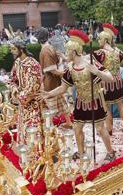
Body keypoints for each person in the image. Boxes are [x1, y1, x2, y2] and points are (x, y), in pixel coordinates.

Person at [42, 29, 116, 162]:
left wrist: (98, 72)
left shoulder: (90, 63)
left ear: (74, 52)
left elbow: (110, 78)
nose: (65, 54)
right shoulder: (70, 68)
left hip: (95, 101)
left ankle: (110, 152)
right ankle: (82, 153)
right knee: (77, 127)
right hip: (81, 103)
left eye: (67, 51)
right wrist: (49, 94)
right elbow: (63, 88)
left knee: (100, 128)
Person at [94, 24, 123, 135]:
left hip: (107, 83)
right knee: (120, 105)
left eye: (99, 38)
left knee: (107, 108)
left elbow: (90, 62)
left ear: (105, 40)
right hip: (118, 81)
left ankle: (109, 130)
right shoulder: (117, 51)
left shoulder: (100, 53)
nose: (98, 40)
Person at [6, 38, 44, 145]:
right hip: (23, 103)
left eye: (14, 49)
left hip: (33, 104)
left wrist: (19, 97)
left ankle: (37, 155)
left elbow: (34, 87)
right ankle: (27, 154)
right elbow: (12, 79)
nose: (12, 51)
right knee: (24, 130)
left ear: (21, 49)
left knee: (34, 131)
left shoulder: (33, 64)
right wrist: (13, 89)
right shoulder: (17, 62)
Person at [36, 27, 66, 116]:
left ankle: (53, 128)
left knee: (52, 109)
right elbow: (59, 61)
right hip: (56, 82)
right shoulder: (50, 47)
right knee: (62, 104)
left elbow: (52, 70)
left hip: (50, 83)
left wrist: (64, 74)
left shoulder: (45, 50)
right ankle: (68, 122)